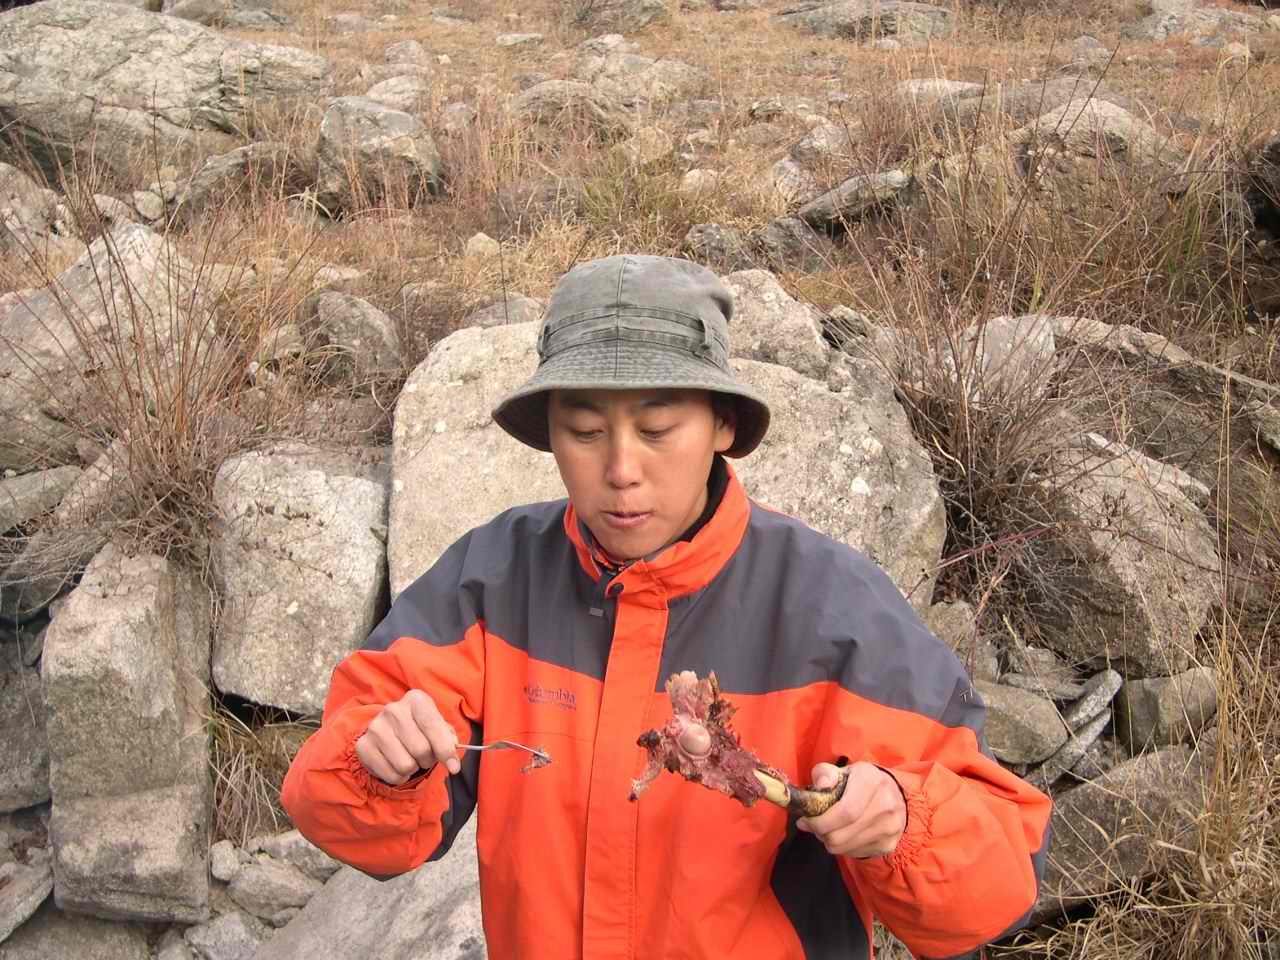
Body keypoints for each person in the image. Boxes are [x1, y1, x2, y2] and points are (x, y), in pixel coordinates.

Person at [280, 255, 1053, 960]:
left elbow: (1001, 881)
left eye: (656, 429)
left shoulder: (833, 611)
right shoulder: (491, 581)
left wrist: (903, 819)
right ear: (549, 434)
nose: (621, 469)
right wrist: (381, 766)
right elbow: (348, 816)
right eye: (585, 430)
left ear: (723, 425)